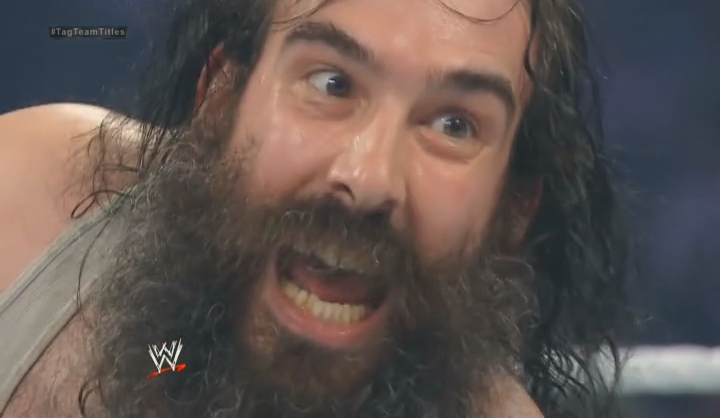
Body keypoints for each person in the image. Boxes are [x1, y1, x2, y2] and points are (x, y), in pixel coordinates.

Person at [0, 0, 633, 416]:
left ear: (512, 210)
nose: (368, 177)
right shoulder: (31, 202)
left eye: (454, 125)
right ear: (220, 100)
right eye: (332, 83)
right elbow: (170, 359)